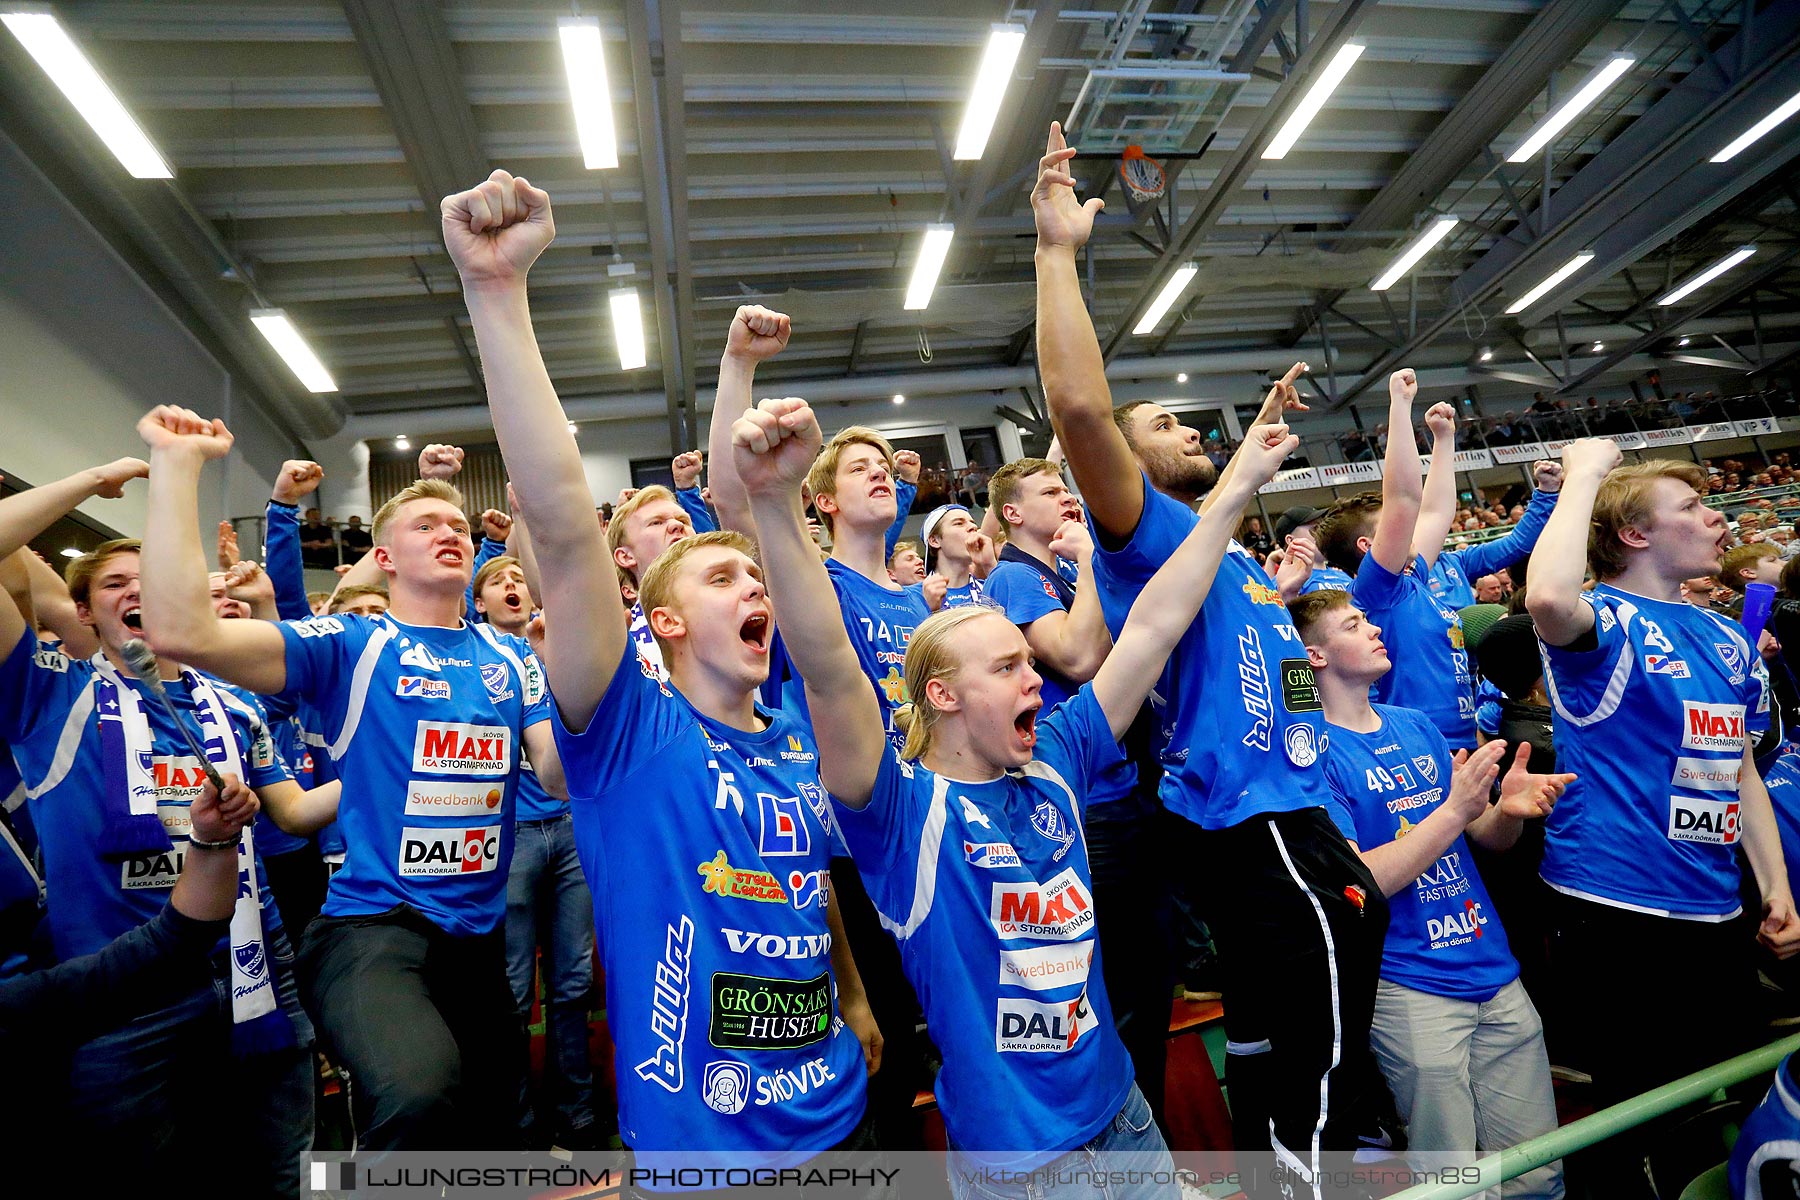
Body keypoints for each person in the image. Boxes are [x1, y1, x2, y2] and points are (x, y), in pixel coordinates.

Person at [735, 392, 1298, 1192]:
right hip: (1021, 1166)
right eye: (1007, 667)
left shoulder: (1057, 761)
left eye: (1028, 662)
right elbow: (827, 667)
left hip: (1129, 1123)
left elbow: (1154, 625)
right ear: (940, 696)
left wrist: (1237, 486)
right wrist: (771, 499)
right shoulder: (899, 813)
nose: (1036, 675)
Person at [439, 168, 879, 1174]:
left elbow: (806, 891)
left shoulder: (794, 739)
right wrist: (497, 294)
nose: (754, 584)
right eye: (727, 574)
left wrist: (853, 998)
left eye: (754, 572)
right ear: (666, 619)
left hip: (843, 1114)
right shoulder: (628, 733)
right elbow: (556, 517)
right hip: (704, 1149)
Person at [1031, 121, 1389, 1188]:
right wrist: (1056, 255)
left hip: (1294, 812)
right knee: (1321, 1081)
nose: (1182, 424)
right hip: (1253, 824)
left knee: (1301, 1054)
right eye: (1162, 422)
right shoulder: (1143, 539)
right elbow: (1081, 408)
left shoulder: (1221, 551)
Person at [137, 406, 566, 1150]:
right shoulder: (356, 642)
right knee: (418, 1091)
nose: (451, 530)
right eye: (426, 522)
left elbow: (556, 776)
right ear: (384, 559)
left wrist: (571, 654)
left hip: (479, 942)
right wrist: (178, 469)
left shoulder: (509, 661)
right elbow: (182, 632)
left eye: (459, 524)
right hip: (371, 933)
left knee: (497, 1133)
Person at [0, 459, 331, 1193]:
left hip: (250, 967)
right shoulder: (49, 697)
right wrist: (89, 481)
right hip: (118, 990)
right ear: (84, 613)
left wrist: (378, 778)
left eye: (153, 577)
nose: (138, 590)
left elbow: (294, 813)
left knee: (282, 1171)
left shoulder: (235, 705)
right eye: (116, 584)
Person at [1525, 442, 1800, 1109]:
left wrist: (1776, 888)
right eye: (1693, 506)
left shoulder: (1726, 637)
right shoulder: (1608, 622)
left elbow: (1738, 772)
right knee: (1654, 1112)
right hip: (1618, 909)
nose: (1714, 519)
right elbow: (1548, 596)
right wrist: (1586, 473)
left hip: (1717, 902)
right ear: (1635, 533)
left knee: (1739, 1093)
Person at [1292, 588, 1572, 1198]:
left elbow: (1484, 836)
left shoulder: (1415, 724)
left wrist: (1510, 812)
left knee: (1540, 1173)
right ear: (1314, 656)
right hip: (1410, 981)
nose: (1371, 629)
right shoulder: (1311, 756)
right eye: (1351, 624)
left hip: (1492, 965)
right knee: (1453, 1184)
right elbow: (1359, 884)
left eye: (1367, 618)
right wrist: (1454, 811)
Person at [980, 457, 1178, 1120]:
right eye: (1049, 490)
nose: (1067, 495)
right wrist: (1093, 562)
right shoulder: (1015, 573)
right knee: (1123, 986)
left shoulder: (1061, 569)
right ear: (1012, 514)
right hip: (1080, 807)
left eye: (1067, 484)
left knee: (1151, 978)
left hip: (1122, 787)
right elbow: (1075, 657)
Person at [471, 552, 604, 1148]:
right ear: (478, 603)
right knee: (515, 989)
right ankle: (518, 1128)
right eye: (496, 582)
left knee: (574, 984)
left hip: (570, 828)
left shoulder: (554, 644)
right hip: (513, 834)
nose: (511, 587)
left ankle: (578, 1117)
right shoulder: (471, 653)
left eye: (519, 579)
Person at [1315, 380, 1478, 751]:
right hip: (1421, 745)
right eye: (1389, 524)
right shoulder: (1376, 590)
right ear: (1367, 547)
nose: (1404, 525)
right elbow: (1404, 499)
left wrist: (1443, 440)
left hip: (1461, 741)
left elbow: (1436, 511)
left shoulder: (1412, 579)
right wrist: (1400, 405)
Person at [912, 504, 993, 610]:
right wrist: (928, 608)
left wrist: (990, 565)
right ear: (935, 541)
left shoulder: (989, 589)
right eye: (959, 523)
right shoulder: (912, 596)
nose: (973, 527)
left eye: (973, 523)